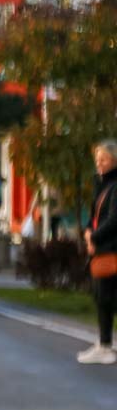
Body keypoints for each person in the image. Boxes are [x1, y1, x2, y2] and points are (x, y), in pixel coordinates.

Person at [82, 140, 117, 365]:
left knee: (106, 297)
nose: (99, 163)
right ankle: (103, 343)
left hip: (110, 249)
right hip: (100, 248)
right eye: (97, 159)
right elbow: (94, 215)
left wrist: (94, 238)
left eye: (103, 159)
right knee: (102, 297)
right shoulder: (102, 184)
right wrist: (87, 232)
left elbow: (114, 220)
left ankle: (106, 346)